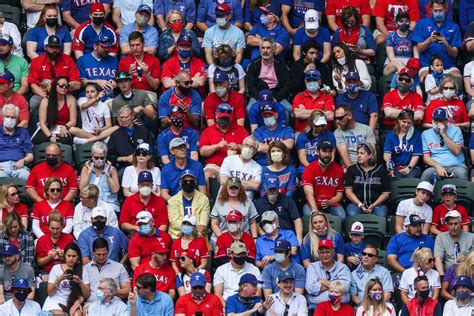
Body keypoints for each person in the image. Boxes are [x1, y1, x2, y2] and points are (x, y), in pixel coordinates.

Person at [28, 35, 80, 111]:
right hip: (44, 94)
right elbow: (33, 85)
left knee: (74, 103)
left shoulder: (68, 60)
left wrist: (63, 86)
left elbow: (77, 84)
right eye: (52, 47)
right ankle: (38, 122)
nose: (55, 50)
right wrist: (47, 97)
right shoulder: (37, 61)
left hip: (64, 93)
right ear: (45, 47)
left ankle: (70, 122)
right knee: (34, 102)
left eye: (57, 47)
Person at [412, 0, 462, 79]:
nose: (438, 13)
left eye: (440, 10)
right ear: (431, 10)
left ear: (445, 9)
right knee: (424, 79)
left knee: (458, 78)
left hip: (448, 66)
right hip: (427, 66)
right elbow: (419, 48)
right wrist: (429, 40)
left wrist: (446, 44)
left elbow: (455, 54)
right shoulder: (422, 24)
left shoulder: (454, 26)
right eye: (436, 10)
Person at [199, 103, 249, 181]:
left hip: (237, 167)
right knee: (206, 175)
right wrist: (216, 146)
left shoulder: (240, 130)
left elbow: (250, 149)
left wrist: (238, 147)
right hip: (215, 166)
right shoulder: (208, 131)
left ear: (231, 117)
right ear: (216, 115)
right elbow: (202, 152)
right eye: (222, 118)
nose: (224, 120)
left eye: (226, 118)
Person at [42, 243, 90, 316]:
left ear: (78, 257)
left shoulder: (83, 270)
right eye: (68, 256)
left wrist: (80, 283)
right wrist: (59, 280)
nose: (71, 259)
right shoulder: (56, 268)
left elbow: (86, 295)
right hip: (55, 300)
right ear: (64, 256)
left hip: (72, 301)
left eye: (74, 256)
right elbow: (50, 293)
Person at [421, 108, 468, 181]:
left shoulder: (456, 130)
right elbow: (426, 157)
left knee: (462, 173)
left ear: (446, 121)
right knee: (427, 174)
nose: (438, 123)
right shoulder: (425, 134)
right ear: (432, 120)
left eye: (441, 121)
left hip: (456, 166)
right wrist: (437, 166)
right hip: (436, 166)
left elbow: (457, 151)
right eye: (435, 121)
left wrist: (443, 134)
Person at [345, 143, 391, 217]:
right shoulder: (352, 169)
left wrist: (374, 205)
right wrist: (360, 204)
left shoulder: (381, 170)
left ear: (370, 155)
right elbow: (348, 192)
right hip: (356, 204)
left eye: (362, 153)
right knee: (352, 214)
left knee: (381, 215)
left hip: (377, 205)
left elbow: (386, 193)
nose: (359, 156)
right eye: (358, 153)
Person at [301, 140, 345, 218]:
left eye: (329, 151)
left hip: (331, 203)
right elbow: (309, 194)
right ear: (318, 152)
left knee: (342, 216)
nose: (327, 154)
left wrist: (330, 202)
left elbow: (339, 195)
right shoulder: (309, 169)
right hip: (313, 202)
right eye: (324, 151)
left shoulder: (339, 170)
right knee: (310, 216)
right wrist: (315, 211)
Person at [107, 105, 154, 175]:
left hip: (144, 165)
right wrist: (124, 158)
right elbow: (110, 156)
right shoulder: (115, 135)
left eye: (126, 117)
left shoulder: (143, 131)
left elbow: (151, 149)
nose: (123, 120)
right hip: (125, 167)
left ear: (132, 116)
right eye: (121, 117)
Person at [246, 37, 291, 112]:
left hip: (276, 95)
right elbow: (250, 85)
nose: (265, 51)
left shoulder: (281, 65)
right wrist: (259, 97)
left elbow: (287, 84)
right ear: (260, 50)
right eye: (263, 48)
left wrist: (276, 98)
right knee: (249, 109)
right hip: (259, 95)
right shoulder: (254, 65)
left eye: (268, 48)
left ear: (273, 50)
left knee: (289, 109)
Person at [305, 240, 351, 310]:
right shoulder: (312, 267)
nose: (325, 255)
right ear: (318, 253)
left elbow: (345, 287)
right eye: (322, 253)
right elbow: (311, 289)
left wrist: (322, 281)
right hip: (317, 306)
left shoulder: (342, 267)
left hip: (340, 305)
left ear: (333, 252)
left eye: (327, 252)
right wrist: (336, 285)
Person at [119, 171, 168, 236]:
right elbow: (123, 224)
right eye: (142, 185)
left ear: (152, 186)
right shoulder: (129, 201)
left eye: (147, 185)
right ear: (138, 185)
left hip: (156, 236)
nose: (145, 187)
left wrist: (155, 234)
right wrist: (136, 228)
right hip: (135, 236)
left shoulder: (160, 201)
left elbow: (164, 224)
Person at [32, 76, 77, 145]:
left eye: (66, 86)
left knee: (65, 141)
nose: (64, 88)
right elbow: (42, 123)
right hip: (47, 129)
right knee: (37, 140)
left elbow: (73, 121)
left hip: (63, 128)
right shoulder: (46, 101)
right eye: (61, 86)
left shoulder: (71, 99)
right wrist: (50, 136)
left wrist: (66, 127)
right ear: (55, 86)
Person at [255, 174, 301, 240]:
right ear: (265, 187)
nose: (272, 191)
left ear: (278, 187)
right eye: (270, 189)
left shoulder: (288, 200)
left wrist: (299, 239)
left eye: (274, 188)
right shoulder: (259, 203)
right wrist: (264, 236)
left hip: (286, 236)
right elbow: (255, 223)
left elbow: (297, 220)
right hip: (267, 237)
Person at [167, 170, 210, 239]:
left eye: (191, 181)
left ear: (195, 182)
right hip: (177, 235)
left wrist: (193, 231)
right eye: (185, 181)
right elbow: (174, 222)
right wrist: (192, 227)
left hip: (198, 235)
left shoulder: (204, 199)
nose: (188, 183)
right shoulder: (173, 200)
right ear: (180, 182)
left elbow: (203, 223)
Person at [331, 7, 376, 73]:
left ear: (356, 20)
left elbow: (373, 52)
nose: (349, 24)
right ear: (343, 21)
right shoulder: (338, 32)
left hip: (363, 61)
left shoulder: (364, 30)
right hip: (343, 62)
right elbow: (333, 51)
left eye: (352, 21)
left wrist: (359, 51)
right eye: (347, 21)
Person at [79, 142, 120, 212]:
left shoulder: (112, 169)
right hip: (90, 204)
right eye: (96, 157)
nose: (99, 160)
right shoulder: (86, 169)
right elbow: (82, 188)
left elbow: (115, 190)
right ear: (92, 156)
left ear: (105, 156)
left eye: (102, 158)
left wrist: (107, 174)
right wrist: (89, 173)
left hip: (109, 204)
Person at [117, 31, 161, 98]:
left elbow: (155, 87)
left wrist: (147, 74)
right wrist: (129, 75)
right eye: (132, 45)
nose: (135, 48)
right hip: (130, 93)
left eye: (137, 45)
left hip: (148, 94)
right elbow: (122, 88)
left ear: (143, 44)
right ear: (129, 46)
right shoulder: (123, 62)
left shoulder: (154, 60)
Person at [383, 109, 423, 179]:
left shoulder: (417, 135)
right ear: (398, 120)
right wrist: (388, 161)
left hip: (412, 167)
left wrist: (409, 168)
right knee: (395, 177)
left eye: (409, 123)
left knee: (411, 177)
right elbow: (387, 153)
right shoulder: (391, 135)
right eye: (403, 122)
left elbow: (416, 155)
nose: (406, 125)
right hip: (396, 167)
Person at [218, 135, 261, 199]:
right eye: (246, 145)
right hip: (225, 199)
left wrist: (231, 181)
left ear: (255, 151)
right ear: (242, 146)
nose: (248, 148)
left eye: (251, 147)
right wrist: (248, 184)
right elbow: (223, 180)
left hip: (244, 203)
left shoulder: (257, 167)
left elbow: (256, 186)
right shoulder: (229, 160)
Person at [434, 210, 474, 277]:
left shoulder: (471, 237)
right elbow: (438, 259)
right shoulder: (441, 237)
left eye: (456, 223)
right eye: (450, 224)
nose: (453, 227)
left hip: (468, 274)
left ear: (461, 223)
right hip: (449, 276)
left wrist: (466, 259)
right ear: (447, 224)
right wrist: (442, 276)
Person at [35, 211, 75, 276]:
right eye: (52, 228)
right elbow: (39, 263)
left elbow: (74, 260)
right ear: (48, 226)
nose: (55, 231)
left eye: (58, 228)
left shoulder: (69, 238)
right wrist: (49, 258)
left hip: (65, 270)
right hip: (47, 272)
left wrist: (64, 257)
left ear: (62, 226)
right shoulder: (42, 240)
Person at [0, 104, 33, 179]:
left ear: (17, 119)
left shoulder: (23, 132)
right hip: (1, 166)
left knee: (27, 176)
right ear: (2, 117)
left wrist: (23, 160)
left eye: (13, 117)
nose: (10, 119)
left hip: (19, 167)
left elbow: (30, 156)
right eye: (7, 116)